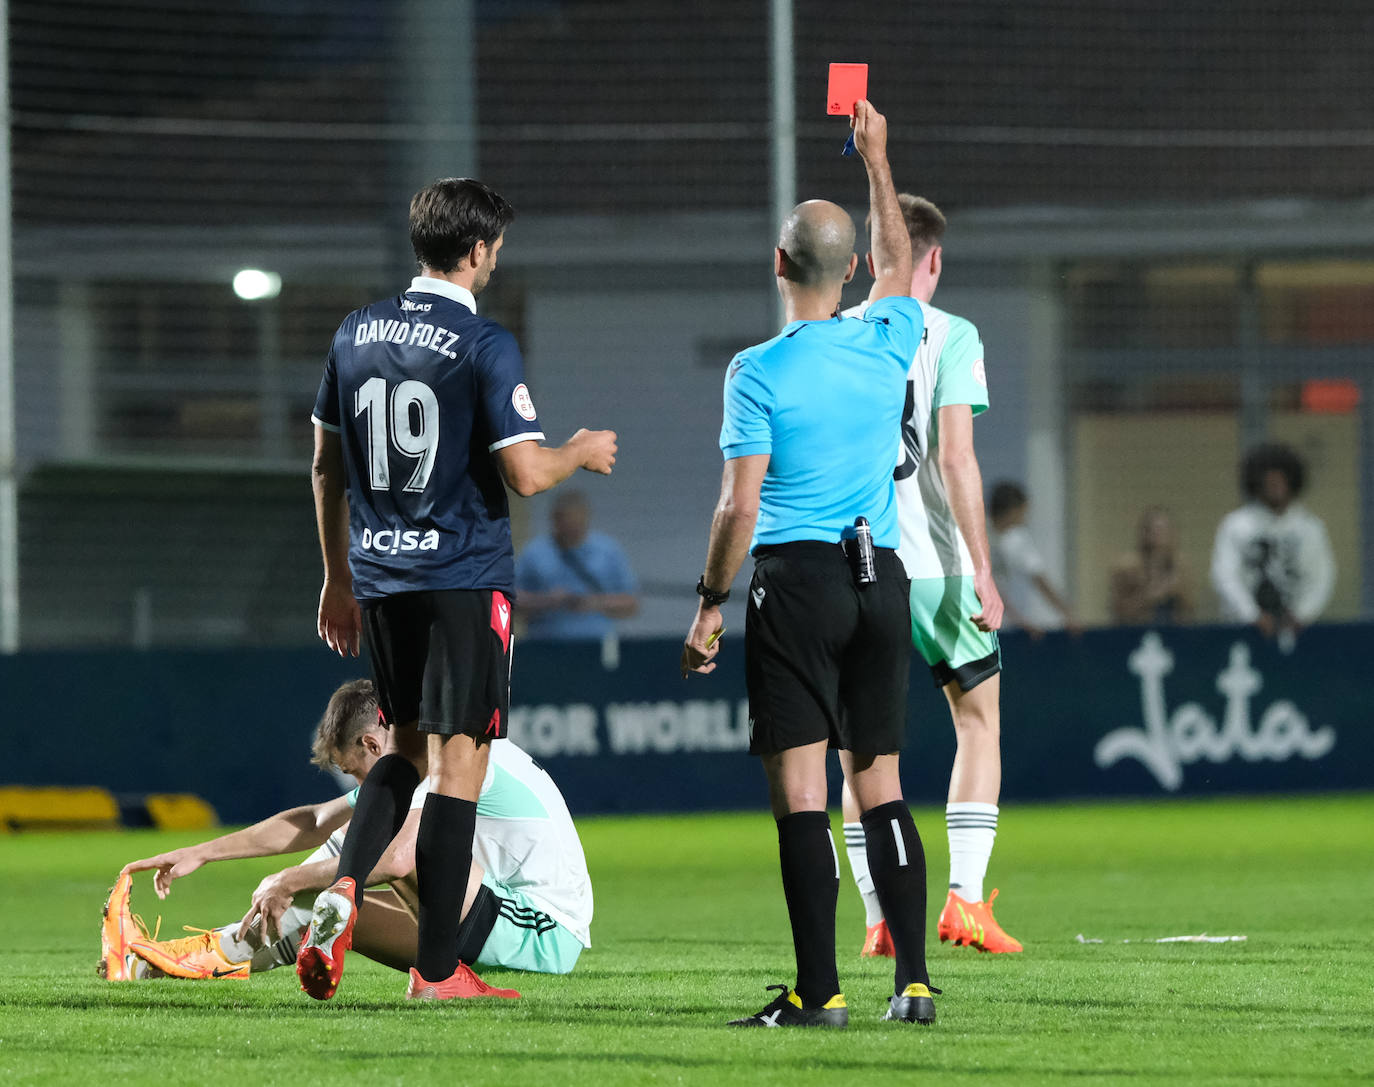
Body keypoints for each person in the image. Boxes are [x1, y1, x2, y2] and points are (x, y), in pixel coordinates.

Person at [307, 177, 617, 1002]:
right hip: (463, 578)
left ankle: (344, 885)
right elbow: (523, 471)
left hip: (380, 578)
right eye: (496, 250)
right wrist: (579, 449)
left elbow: (324, 465)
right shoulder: (482, 342)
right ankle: (438, 973)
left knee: (404, 748)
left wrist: (338, 578)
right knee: (457, 769)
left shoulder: (354, 331)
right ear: (477, 251)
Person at [681, 100, 937, 1029]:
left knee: (803, 792)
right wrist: (879, 158)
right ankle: (911, 982)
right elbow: (904, 263)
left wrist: (709, 602)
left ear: (780, 266)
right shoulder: (889, 337)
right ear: (856, 270)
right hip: (883, 581)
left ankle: (820, 990)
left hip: (798, 584)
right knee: (884, 787)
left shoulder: (757, 369)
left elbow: (737, 505)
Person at [101, 680, 592, 984]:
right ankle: (154, 966)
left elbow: (403, 859)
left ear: (373, 741)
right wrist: (203, 852)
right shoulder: (413, 755)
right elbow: (313, 821)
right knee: (327, 907)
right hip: (485, 916)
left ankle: (203, 952)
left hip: (544, 931)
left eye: (358, 770)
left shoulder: (451, 756)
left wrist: (292, 878)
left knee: (357, 865)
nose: (362, 786)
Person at [837, 194, 1021, 959]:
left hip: (857, 565)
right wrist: (984, 566)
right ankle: (966, 901)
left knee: (863, 750)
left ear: (873, 259)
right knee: (977, 720)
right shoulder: (951, 334)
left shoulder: (832, 336)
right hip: (938, 567)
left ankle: (880, 917)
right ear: (932, 259)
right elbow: (955, 456)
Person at [1211, 443, 1335, 643]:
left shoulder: (1310, 528)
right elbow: (1225, 575)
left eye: (1280, 478)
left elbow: (1322, 577)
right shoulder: (1236, 525)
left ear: (1292, 480)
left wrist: (1302, 614)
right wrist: (1252, 615)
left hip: (1300, 633)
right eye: (1268, 479)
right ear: (1256, 482)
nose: (1274, 484)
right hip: (1241, 632)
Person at [514, 489, 639, 639]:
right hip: (545, 642)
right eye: (566, 522)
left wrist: (595, 602)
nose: (572, 529)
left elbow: (630, 603)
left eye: (577, 523)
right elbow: (512, 600)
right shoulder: (534, 553)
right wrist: (547, 600)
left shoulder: (607, 551)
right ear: (555, 520)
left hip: (597, 643)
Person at [988, 481, 1080, 635]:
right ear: (1013, 510)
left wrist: (1066, 613)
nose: (1025, 517)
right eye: (1023, 511)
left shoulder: (1016, 539)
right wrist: (1019, 620)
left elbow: (1039, 579)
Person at [1110, 506, 1193, 625]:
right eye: (1155, 530)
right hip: (1134, 632)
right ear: (1144, 533)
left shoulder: (1180, 566)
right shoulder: (1127, 567)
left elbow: (1189, 611)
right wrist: (1153, 595)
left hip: (1173, 632)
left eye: (1164, 530)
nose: (1159, 536)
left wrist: (1179, 592)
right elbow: (1118, 612)